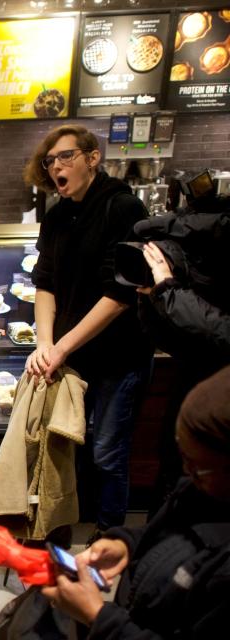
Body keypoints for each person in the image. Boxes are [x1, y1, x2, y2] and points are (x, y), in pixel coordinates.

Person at [23, 124, 153, 542]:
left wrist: (59, 347)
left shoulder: (124, 208)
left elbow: (119, 296)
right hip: (72, 354)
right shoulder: (58, 214)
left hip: (119, 356)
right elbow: (44, 283)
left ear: (92, 158)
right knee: (69, 446)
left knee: (107, 453)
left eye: (66, 157)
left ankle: (111, 535)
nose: (56, 166)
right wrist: (44, 344)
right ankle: (62, 527)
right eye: (50, 160)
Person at [40, 364, 230, 638]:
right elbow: (163, 529)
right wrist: (126, 544)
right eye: (183, 456)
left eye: (197, 465)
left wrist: (97, 616)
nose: (186, 473)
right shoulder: (198, 491)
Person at [131, 200, 230, 513]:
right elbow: (171, 339)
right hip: (190, 388)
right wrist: (151, 300)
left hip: (219, 418)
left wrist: (169, 291)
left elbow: (223, 332)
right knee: (173, 474)